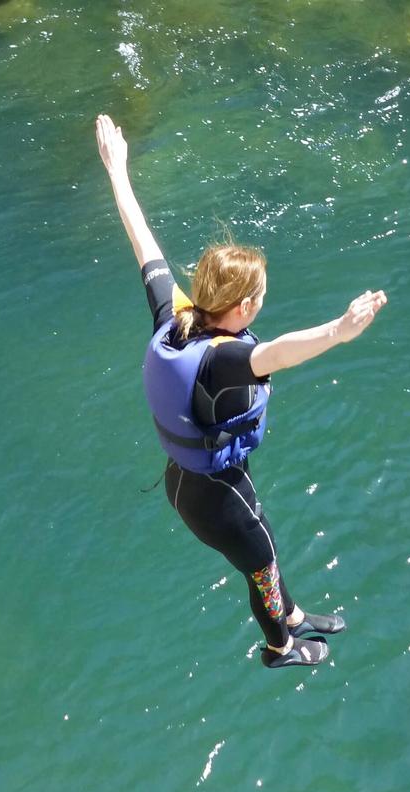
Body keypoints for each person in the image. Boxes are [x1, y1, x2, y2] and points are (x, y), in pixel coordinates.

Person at [95, 113, 387, 668]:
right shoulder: (226, 359)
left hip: (189, 481)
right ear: (244, 306)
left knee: (266, 554)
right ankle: (280, 645)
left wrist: (118, 171)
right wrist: (340, 331)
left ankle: (294, 616)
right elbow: (278, 352)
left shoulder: (177, 318)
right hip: (213, 495)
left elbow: (145, 247)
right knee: (263, 564)